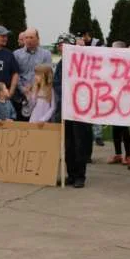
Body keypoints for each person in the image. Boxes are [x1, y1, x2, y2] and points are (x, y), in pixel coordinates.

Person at [55, 36, 93, 188]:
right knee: (68, 143)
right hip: (65, 108)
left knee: (79, 143)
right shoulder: (61, 64)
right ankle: (70, 174)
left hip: (79, 109)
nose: (61, 47)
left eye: (64, 45)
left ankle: (80, 175)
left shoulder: (82, 61)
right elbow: (57, 84)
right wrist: (65, 93)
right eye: (59, 45)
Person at [13, 27, 53, 119]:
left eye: (31, 37)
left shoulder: (46, 54)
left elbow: (47, 73)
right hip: (20, 96)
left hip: (39, 97)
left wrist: (33, 87)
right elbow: (15, 74)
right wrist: (23, 89)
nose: (28, 40)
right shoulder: (16, 54)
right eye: (26, 38)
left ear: (38, 39)